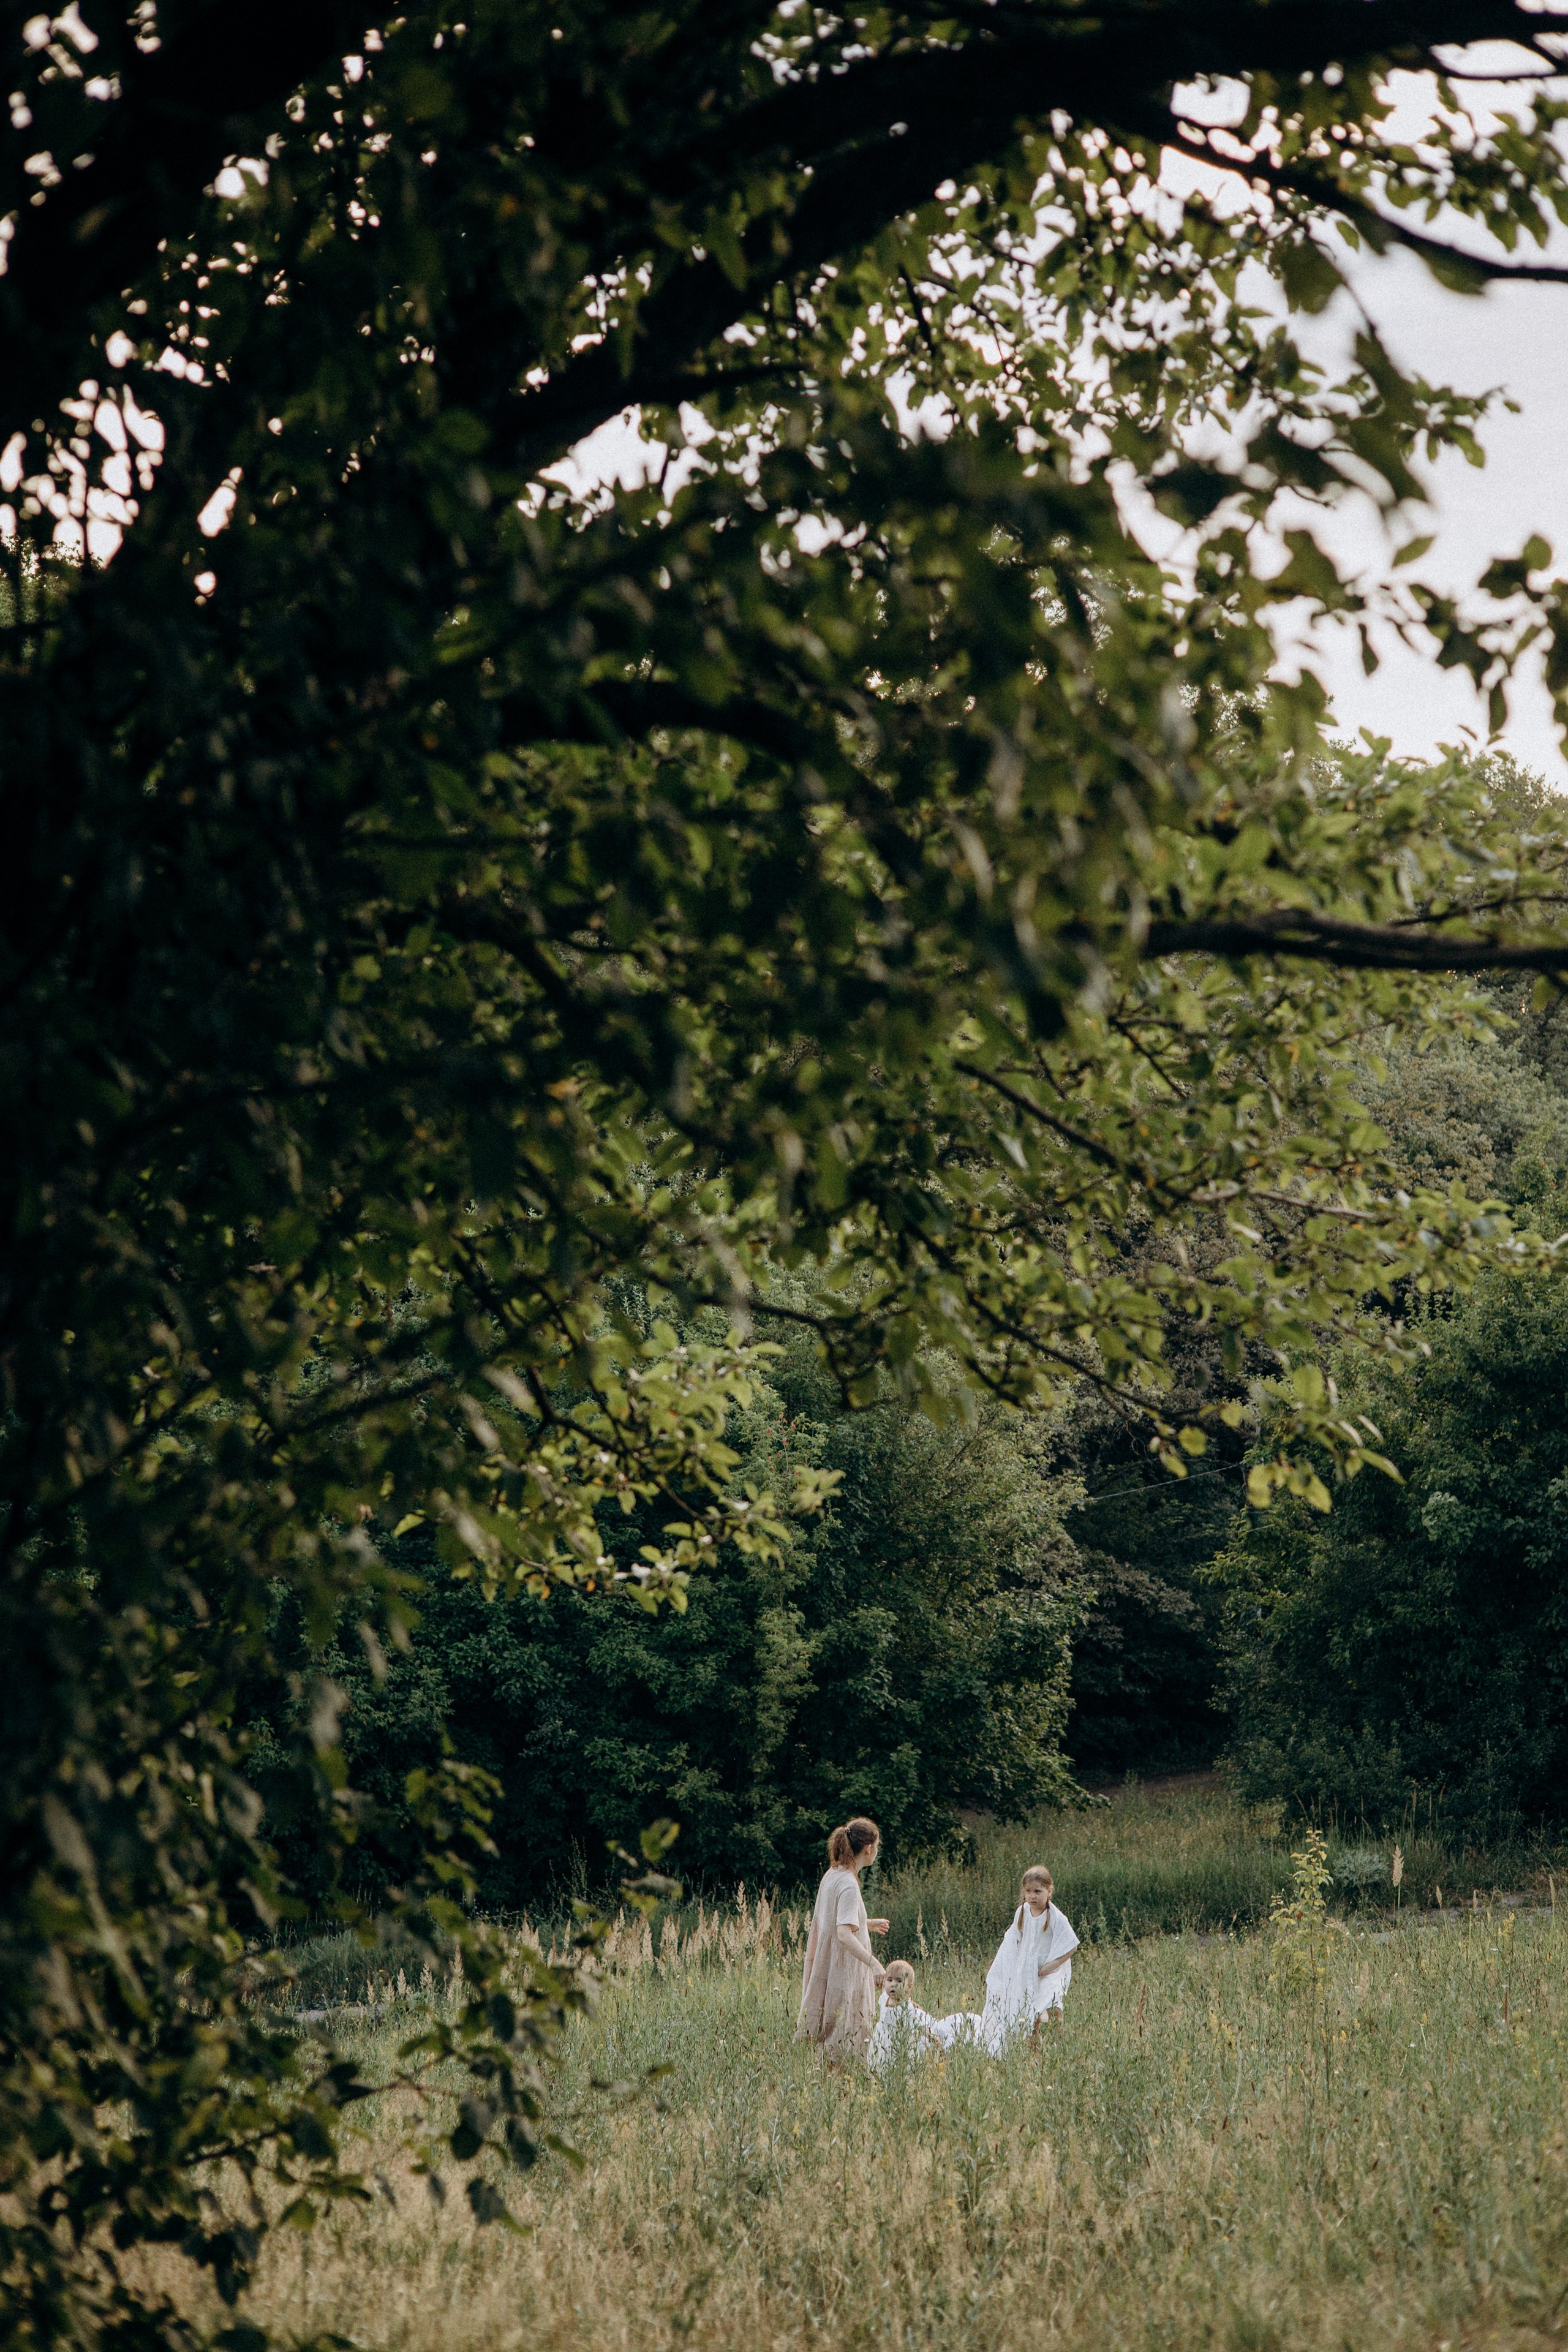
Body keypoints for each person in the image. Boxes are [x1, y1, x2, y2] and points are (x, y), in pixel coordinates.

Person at [795, 1816, 889, 2060]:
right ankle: (838, 2089)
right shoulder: (848, 1884)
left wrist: (867, 1923)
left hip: (827, 1967)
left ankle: (826, 2086)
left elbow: (835, 1920)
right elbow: (843, 1934)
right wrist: (874, 1963)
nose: (876, 1852)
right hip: (841, 1971)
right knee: (841, 2033)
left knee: (827, 2034)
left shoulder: (833, 1874)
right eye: (877, 1847)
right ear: (869, 1849)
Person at [978, 1865, 1078, 2049]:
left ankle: (1064, 2049)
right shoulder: (1022, 1912)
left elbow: (1071, 1946)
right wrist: (1007, 1969)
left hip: (1049, 1972)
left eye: (1038, 1891)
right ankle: (1036, 2055)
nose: (1032, 1896)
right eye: (1028, 1891)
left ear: (1049, 1891)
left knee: (1053, 2007)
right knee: (1031, 2017)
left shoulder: (1056, 1917)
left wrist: (1050, 1967)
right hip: (1028, 1972)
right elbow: (1012, 1941)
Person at [867, 1958, 943, 2070]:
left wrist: (933, 2038)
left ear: (909, 1986)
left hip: (899, 2045)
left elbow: (921, 2025)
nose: (893, 1985)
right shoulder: (884, 1999)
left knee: (898, 2068)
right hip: (881, 2041)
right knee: (878, 2066)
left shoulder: (908, 2009)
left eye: (899, 1981)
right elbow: (884, 1988)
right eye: (890, 1980)